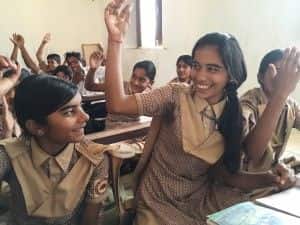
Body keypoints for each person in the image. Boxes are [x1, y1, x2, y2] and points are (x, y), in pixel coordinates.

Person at [103, 1, 296, 224]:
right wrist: (115, 40)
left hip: (198, 200)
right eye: (197, 65)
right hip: (158, 199)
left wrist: (270, 179)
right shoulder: (174, 95)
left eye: (212, 69)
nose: (200, 76)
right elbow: (117, 104)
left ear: (231, 76)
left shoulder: (232, 113)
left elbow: (226, 174)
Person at [0, 75, 109, 225]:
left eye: (81, 106)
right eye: (69, 112)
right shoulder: (9, 154)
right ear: (36, 126)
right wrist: (8, 82)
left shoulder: (94, 158)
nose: (86, 116)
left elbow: (92, 219)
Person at [241, 49, 300, 173]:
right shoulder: (249, 102)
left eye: (285, 73)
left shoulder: (290, 104)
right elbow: (252, 154)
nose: (281, 78)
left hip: (272, 167)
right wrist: (281, 94)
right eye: (279, 71)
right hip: (247, 177)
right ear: (260, 77)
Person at [85, 51, 156, 129]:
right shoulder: (119, 86)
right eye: (134, 76)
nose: (135, 82)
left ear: (151, 83)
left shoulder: (149, 98)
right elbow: (90, 86)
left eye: (142, 80)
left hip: (131, 132)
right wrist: (92, 69)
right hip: (110, 130)